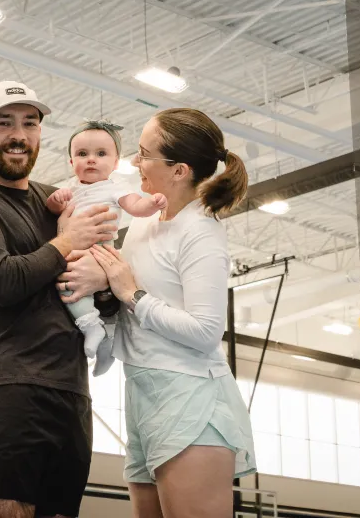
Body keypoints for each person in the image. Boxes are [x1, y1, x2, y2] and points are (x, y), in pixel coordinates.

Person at [0, 81, 118, 518]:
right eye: (4, 123)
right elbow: (1, 283)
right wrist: (67, 241)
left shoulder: (58, 201)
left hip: (71, 391)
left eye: (30, 124)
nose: (19, 135)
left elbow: (106, 300)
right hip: (6, 386)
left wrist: (103, 280)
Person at [86, 108, 257, 518]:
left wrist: (132, 294)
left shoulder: (201, 231)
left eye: (145, 154)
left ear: (180, 171)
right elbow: (127, 299)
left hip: (191, 398)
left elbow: (205, 331)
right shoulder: (145, 223)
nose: (134, 162)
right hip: (143, 391)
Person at [46, 120, 167, 373]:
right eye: (82, 154)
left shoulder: (115, 188)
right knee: (68, 286)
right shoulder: (71, 188)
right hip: (74, 250)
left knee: (85, 290)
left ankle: (99, 331)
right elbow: (53, 209)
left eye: (101, 154)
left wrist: (152, 204)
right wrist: (56, 200)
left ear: (115, 163)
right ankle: (99, 333)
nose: (91, 159)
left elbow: (135, 206)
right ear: (71, 162)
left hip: (101, 250)